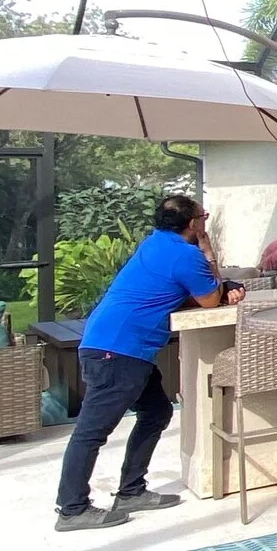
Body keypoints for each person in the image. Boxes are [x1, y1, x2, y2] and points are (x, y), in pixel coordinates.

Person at [55, 194, 239, 531]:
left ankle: (131, 491)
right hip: (118, 351)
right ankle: (72, 509)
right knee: (92, 432)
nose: (205, 222)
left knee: (156, 411)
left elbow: (173, 291)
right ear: (193, 223)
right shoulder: (186, 254)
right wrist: (208, 252)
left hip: (114, 344)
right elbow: (210, 300)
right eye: (204, 216)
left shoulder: (154, 244)